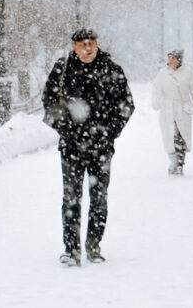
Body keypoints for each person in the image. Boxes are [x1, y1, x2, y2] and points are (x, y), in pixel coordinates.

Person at [42, 28, 134, 267]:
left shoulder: (111, 70)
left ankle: (94, 246)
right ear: (74, 47)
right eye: (82, 43)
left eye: (91, 43)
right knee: (71, 198)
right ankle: (71, 250)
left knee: (99, 198)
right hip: (71, 147)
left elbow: (126, 105)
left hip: (101, 148)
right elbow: (49, 102)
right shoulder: (62, 70)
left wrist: (108, 132)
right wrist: (67, 129)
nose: (87, 47)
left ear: (97, 44)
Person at [152, 49, 193, 176]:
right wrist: (158, 102)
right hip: (167, 109)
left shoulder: (188, 73)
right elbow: (156, 89)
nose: (170, 61)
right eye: (169, 58)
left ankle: (180, 165)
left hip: (183, 108)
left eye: (173, 58)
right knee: (170, 137)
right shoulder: (162, 73)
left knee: (181, 138)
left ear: (179, 60)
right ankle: (174, 163)